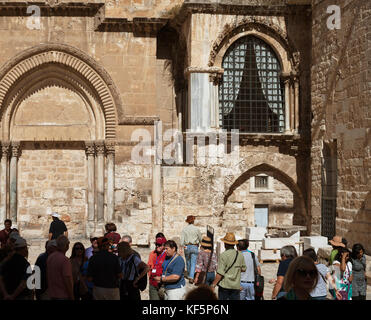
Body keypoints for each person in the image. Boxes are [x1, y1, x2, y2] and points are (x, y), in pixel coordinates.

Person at [210, 232, 246, 300]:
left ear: (225, 244)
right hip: (235, 286)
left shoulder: (223, 255)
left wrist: (213, 285)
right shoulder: (240, 255)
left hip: (225, 286)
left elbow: (220, 273)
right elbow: (243, 269)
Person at [47, 235, 74, 300]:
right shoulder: (65, 260)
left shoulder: (50, 257)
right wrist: (71, 296)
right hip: (63, 295)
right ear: (67, 246)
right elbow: (67, 279)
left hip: (52, 294)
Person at [180, 215, 202, 284]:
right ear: (193, 221)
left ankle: (189, 274)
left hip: (187, 246)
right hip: (194, 246)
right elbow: (200, 239)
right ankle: (191, 277)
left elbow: (181, 242)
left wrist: (183, 247)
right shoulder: (197, 229)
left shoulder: (184, 229)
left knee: (188, 261)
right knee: (193, 262)